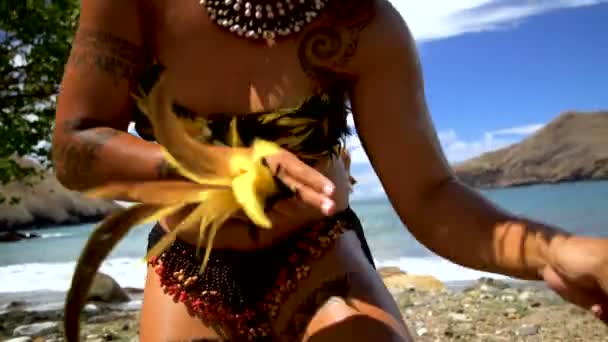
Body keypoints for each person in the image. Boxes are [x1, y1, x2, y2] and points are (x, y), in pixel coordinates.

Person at [52, 0, 608, 341]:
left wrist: (551, 251)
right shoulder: (136, 3)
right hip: (191, 264)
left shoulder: (365, 24)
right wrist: (219, 165)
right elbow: (75, 147)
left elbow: (430, 195)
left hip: (313, 255)